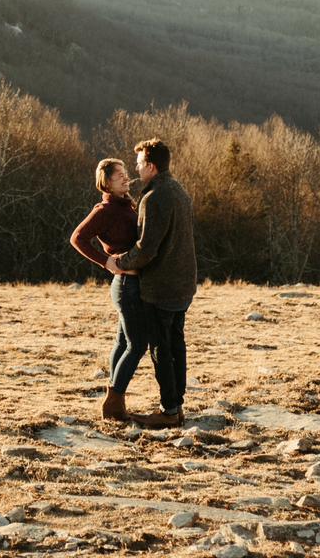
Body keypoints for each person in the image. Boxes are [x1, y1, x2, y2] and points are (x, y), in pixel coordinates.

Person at [106, 136, 197, 428]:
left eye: (139, 163)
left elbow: (146, 249)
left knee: (161, 350)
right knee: (176, 345)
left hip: (162, 288)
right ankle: (176, 406)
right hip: (183, 284)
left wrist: (119, 262)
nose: (135, 168)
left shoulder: (154, 197)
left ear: (151, 166)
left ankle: (168, 411)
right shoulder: (179, 190)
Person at [69, 156, 148, 422]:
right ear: (106, 182)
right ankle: (113, 403)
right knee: (137, 345)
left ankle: (114, 403)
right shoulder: (106, 210)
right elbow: (78, 238)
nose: (126, 177)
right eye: (119, 175)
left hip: (131, 283)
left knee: (123, 342)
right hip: (126, 284)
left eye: (125, 172)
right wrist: (106, 261)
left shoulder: (126, 205)